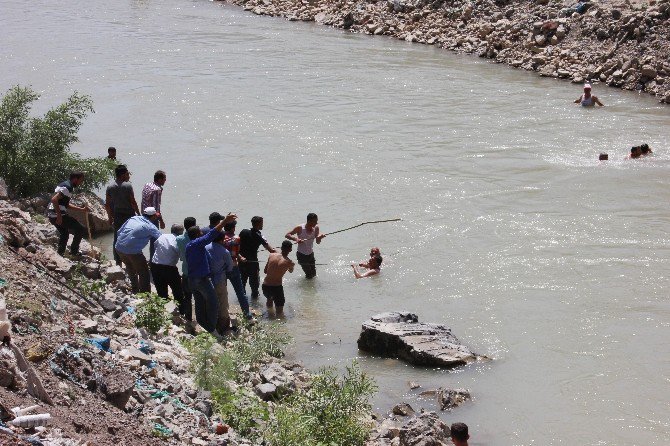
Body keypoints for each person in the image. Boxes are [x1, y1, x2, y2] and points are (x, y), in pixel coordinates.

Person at [185, 213, 236, 335]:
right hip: (202, 280)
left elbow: (209, 236)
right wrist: (225, 221)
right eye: (201, 232)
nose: (203, 233)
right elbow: (212, 234)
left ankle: (203, 327)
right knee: (214, 304)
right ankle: (212, 330)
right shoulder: (197, 243)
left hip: (192, 280)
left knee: (200, 305)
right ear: (197, 235)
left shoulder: (189, 245)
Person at [114, 207, 162, 294]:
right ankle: (145, 295)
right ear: (154, 217)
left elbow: (119, 231)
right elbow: (161, 239)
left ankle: (135, 290)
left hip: (119, 247)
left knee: (130, 268)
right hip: (133, 252)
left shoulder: (133, 218)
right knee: (144, 272)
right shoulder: (150, 226)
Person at [46, 172, 90, 257]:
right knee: (81, 229)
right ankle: (74, 252)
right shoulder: (68, 187)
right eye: (81, 180)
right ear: (75, 179)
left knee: (64, 233)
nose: (81, 183)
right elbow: (54, 199)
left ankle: (60, 253)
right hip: (57, 215)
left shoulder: (64, 184)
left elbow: (65, 204)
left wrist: (82, 209)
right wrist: (59, 216)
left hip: (51, 215)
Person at [105, 165, 140, 266]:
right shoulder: (127, 185)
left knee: (117, 237)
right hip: (129, 215)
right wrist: (138, 213)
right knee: (130, 236)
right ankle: (131, 259)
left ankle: (118, 261)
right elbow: (133, 202)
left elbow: (107, 204)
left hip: (117, 215)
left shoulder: (110, 187)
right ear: (123, 174)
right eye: (127, 173)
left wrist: (109, 217)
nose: (128, 175)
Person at [223, 221, 254, 320]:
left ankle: (224, 312)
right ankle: (247, 314)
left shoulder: (219, 238)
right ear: (233, 228)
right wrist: (241, 258)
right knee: (240, 292)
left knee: (223, 291)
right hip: (233, 267)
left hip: (221, 268)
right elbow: (235, 253)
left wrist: (239, 256)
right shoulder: (236, 238)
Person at [239, 216, 276, 299]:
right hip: (252, 264)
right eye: (262, 223)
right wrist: (282, 255)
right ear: (258, 224)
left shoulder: (243, 232)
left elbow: (237, 245)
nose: (262, 225)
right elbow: (271, 250)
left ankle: (242, 302)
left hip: (241, 262)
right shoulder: (259, 235)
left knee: (242, 284)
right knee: (255, 287)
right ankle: (254, 303)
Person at [206, 231, 234, 333]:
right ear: (222, 240)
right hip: (220, 280)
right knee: (223, 303)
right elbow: (230, 267)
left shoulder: (205, 247)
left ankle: (210, 324)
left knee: (210, 303)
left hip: (207, 280)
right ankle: (222, 328)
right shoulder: (224, 251)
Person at [150, 224, 184, 303]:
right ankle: (181, 310)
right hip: (169, 268)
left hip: (155, 265)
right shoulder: (177, 241)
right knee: (178, 290)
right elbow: (182, 257)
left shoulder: (162, 236)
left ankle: (163, 309)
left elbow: (155, 246)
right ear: (181, 233)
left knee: (161, 291)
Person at [286, 213, 326, 279]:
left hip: (311, 254)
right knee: (309, 275)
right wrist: (296, 239)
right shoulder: (300, 228)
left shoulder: (316, 228)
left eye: (317, 221)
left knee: (314, 274)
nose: (316, 223)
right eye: (315, 221)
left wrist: (320, 238)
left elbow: (317, 242)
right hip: (301, 255)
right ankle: (306, 288)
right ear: (309, 221)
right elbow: (287, 235)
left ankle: (307, 287)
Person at [263, 240, 295, 317]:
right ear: (290, 250)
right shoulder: (290, 262)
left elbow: (265, 271)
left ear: (281, 247)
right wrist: (292, 266)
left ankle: (270, 315)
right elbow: (291, 271)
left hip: (265, 286)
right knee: (279, 312)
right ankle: (279, 325)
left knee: (269, 300)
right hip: (276, 288)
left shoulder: (271, 255)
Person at [176, 217, 197, 324]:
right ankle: (201, 319)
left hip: (186, 272)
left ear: (184, 227)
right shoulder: (198, 240)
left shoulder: (179, 239)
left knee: (187, 297)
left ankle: (188, 318)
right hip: (197, 274)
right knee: (199, 298)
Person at [142, 170, 167, 258]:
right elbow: (155, 209)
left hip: (144, 215)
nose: (165, 181)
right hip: (152, 217)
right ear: (160, 179)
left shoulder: (147, 185)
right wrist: (161, 221)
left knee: (143, 238)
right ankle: (153, 260)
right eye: (164, 179)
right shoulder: (157, 190)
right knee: (154, 239)